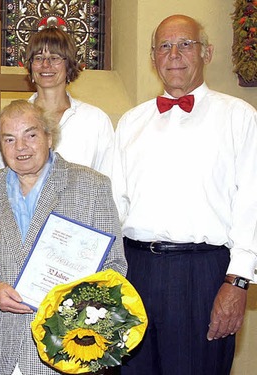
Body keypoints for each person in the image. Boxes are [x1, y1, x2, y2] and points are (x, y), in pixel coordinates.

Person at [111, 15, 257, 375]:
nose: (174, 54)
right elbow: (114, 205)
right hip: (135, 271)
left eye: (185, 44)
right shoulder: (131, 122)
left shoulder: (239, 117)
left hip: (203, 275)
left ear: (206, 52)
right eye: (164, 46)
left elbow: (251, 204)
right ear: (153, 57)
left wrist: (237, 281)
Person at [0, 100, 127, 375]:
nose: (21, 147)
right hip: (1, 347)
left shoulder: (92, 186)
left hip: (67, 346)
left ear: (49, 137)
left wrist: (75, 306)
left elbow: (114, 266)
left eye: (31, 135)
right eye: (10, 139)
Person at [25, 27, 114, 175]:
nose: (46, 65)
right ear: (30, 66)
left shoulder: (96, 120)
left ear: (69, 66)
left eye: (54, 58)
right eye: (38, 58)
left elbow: (108, 182)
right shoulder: (14, 120)